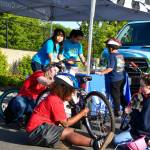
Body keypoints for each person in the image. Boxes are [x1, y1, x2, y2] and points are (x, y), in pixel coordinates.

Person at [26, 73, 103, 150]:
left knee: (70, 132)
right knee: (67, 132)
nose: (72, 95)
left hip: (38, 131)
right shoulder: (54, 100)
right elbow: (66, 123)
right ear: (64, 89)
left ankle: (56, 143)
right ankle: (95, 143)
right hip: (36, 132)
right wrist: (82, 113)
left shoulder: (54, 97)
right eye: (71, 91)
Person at [113, 74, 150, 148]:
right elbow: (135, 116)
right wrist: (130, 111)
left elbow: (143, 122)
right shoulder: (140, 96)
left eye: (143, 86)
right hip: (136, 132)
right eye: (140, 85)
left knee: (119, 142)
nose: (140, 88)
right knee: (116, 140)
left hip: (145, 134)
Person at [95, 38, 127, 117]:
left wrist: (101, 72)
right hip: (121, 78)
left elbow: (110, 68)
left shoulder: (111, 56)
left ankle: (117, 112)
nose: (107, 49)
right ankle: (126, 107)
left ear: (111, 47)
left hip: (114, 79)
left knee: (115, 95)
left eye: (107, 47)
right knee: (120, 94)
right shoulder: (120, 55)